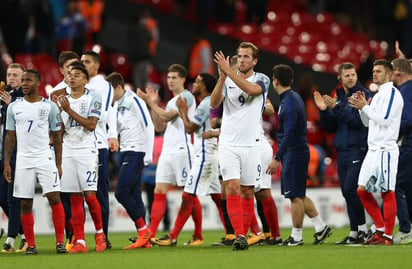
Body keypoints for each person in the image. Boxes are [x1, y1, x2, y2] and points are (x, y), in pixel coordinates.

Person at [152, 73, 222, 246]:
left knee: (188, 194)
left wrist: (183, 111)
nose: (194, 84)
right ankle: (233, 234)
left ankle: (173, 236)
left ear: (204, 87)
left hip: (205, 154)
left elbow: (190, 128)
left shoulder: (204, 104)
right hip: (206, 153)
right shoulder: (205, 103)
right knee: (218, 197)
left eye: (197, 82)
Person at [210, 42, 268, 251]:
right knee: (232, 187)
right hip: (228, 144)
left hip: (252, 145)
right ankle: (240, 235)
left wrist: (229, 72)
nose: (242, 59)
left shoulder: (262, 79)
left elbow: (252, 90)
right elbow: (214, 103)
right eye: (239, 56)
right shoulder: (228, 80)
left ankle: (247, 232)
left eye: (246, 56)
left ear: (254, 61)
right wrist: (222, 77)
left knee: (247, 191)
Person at [266, 64, 332, 246]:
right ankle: (320, 226)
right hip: (297, 151)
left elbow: (289, 134)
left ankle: (296, 237)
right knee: (299, 194)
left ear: (275, 81)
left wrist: (277, 157)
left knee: (294, 196)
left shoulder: (287, 103)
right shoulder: (294, 98)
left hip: (293, 152)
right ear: (292, 80)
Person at [3, 69, 66, 255]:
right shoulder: (14, 107)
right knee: (24, 204)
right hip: (23, 160)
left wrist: (59, 163)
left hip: (45, 157)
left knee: (55, 198)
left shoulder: (49, 107)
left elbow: (57, 135)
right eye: (22, 80)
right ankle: (31, 244)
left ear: (38, 82)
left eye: (28, 80)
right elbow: (10, 136)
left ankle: (60, 243)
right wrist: (7, 162)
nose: (24, 83)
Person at [313, 62, 371, 244]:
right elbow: (330, 127)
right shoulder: (338, 96)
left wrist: (336, 108)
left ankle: (363, 229)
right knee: (347, 192)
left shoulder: (363, 95)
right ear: (340, 78)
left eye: (353, 74)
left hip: (358, 148)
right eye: (347, 75)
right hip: (342, 150)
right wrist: (323, 111)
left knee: (350, 190)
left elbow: (357, 122)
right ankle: (354, 232)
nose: (351, 78)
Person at [137, 64, 196, 239]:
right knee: (159, 190)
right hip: (168, 151)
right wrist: (153, 104)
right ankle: (151, 234)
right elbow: (159, 125)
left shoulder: (186, 97)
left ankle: (198, 234)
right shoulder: (171, 101)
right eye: (168, 78)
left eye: (174, 77)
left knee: (189, 193)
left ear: (183, 79)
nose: (170, 81)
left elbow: (166, 116)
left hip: (182, 150)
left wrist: (150, 103)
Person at [348, 59, 403, 245]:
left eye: (378, 71)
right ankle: (379, 228)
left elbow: (386, 120)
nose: (374, 73)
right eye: (373, 70)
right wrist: (362, 109)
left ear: (389, 74)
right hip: (372, 150)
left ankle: (388, 235)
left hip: (385, 149)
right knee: (361, 191)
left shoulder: (393, 94)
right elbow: (367, 122)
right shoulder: (378, 94)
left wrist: (365, 107)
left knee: (388, 192)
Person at [57, 62, 106, 253]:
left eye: (77, 74)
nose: (72, 77)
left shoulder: (93, 97)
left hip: (87, 151)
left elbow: (91, 125)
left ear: (85, 80)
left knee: (90, 197)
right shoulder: (61, 100)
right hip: (69, 151)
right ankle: (81, 242)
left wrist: (68, 110)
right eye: (69, 74)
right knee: (75, 198)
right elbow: (61, 129)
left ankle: (100, 234)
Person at [105, 72, 154, 249]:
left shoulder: (134, 101)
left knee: (121, 192)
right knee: (134, 195)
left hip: (136, 151)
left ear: (119, 87)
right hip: (126, 152)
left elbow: (149, 126)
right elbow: (112, 128)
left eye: (110, 91)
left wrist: (148, 154)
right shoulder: (116, 104)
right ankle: (144, 238)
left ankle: (143, 231)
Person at [81, 50, 118, 249]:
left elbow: (101, 114)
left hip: (97, 145)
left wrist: (113, 135)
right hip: (77, 146)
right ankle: (75, 237)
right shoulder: (74, 85)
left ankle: (103, 235)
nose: (83, 64)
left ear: (96, 66)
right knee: (74, 193)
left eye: (87, 61)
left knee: (99, 193)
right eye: (81, 62)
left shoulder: (102, 86)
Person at [50, 50, 80, 250]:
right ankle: (71, 234)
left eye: (76, 67)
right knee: (64, 193)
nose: (72, 72)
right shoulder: (55, 92)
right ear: (61, 70)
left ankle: (96, 236)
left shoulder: (88, 90)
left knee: (90, 195)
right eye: (69, 68)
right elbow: (52, 121)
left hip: (85, 147)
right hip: (63, 147)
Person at [0, 63, 27, 253]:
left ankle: (11, 239)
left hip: (19, 155)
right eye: (9, 74)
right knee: (3, 198)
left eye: (15, 75)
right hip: (4, 155)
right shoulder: (4, 97)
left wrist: (11, 105)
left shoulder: (24, 98)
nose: (11, 78)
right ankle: (24, 235)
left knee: (12, 198)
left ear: (23, 78)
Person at [390, 58, 412, 244]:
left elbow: (408, 119)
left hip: (409, 144)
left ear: (397, 72)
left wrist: (388, 131)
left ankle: (405, 229)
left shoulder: (405, 91)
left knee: (395, 184)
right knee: (408, 186)